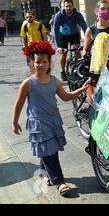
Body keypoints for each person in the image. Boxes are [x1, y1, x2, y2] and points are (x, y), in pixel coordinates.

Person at [12, 41, 90, 196]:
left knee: (46, 150)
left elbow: (66, 96)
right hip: (38, 123)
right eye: (37, 62)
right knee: (50, 152)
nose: (41, 65)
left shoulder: (54, 81)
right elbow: (18, 104)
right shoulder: (28, 83)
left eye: (44, 62)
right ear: (32, 64)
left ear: (49, 63)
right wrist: (14, 122)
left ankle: (44, 174)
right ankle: (59, 180)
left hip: (54, 120)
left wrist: (82, 89)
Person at [53, 0, 88, 81]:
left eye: (70, 6)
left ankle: (79, 69)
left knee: (77, 51)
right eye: (66, 6)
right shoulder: (59, 15)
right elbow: (55, 30)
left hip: (74, 35)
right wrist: (59, 46)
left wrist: (88, 37)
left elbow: (84, 27)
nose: (68, 8)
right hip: (62, 36)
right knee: (63, 54)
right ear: (64, 7)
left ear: (73, 6)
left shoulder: (78, 15)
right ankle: (62, 71)